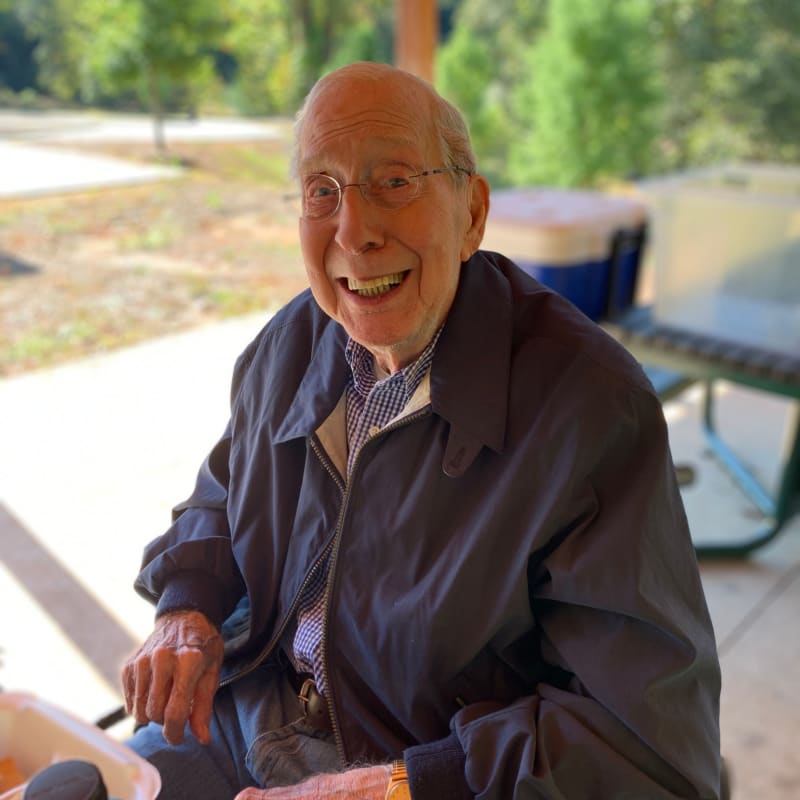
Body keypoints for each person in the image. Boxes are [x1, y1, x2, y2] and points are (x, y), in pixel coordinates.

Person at [123, 61, 722, 800]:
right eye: (323, 191)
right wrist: (187, 605)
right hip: (249, 713)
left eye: (394, 181)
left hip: (440, 773)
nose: (355, 230)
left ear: (471, 213)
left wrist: (395, 787)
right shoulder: (290, 343)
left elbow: (647, 749)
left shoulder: (590, 407)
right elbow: (223, 493)